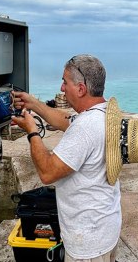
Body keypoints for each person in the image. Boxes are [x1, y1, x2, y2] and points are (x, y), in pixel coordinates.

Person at [12, 54, 120, 262]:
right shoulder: (104, 113)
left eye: (65, 82)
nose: (62, 88)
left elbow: (47, 172)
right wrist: (34, 104)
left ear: (81, 89)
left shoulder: (85, 128)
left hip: (88, 243)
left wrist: (32, 132)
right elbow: (65, 120)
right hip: (106, 226)